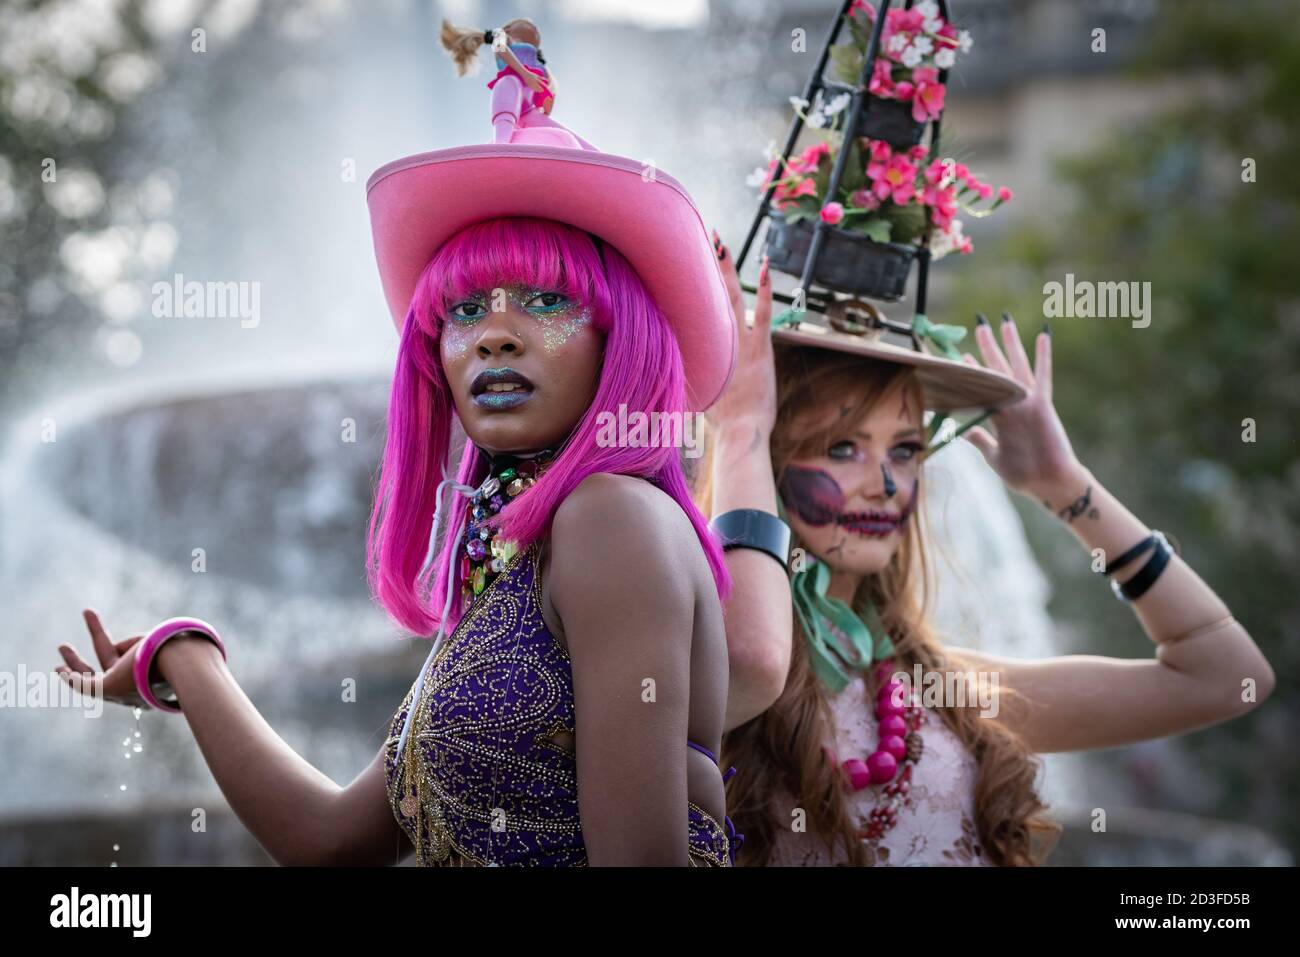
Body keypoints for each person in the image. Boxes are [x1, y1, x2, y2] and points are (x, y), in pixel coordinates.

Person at [54, 89, 745, 867]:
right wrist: (182, 657)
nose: (494, 337)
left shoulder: (612, 517)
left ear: (620, 337)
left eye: (547, 301)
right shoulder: (514, 569)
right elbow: (331, 841)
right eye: (465, 308)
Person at [703, 237, 1277, 865]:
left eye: (905, 450)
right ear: (768, 456)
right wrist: (738, 434)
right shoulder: (704, 676)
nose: (887, 484)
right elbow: (752, 654)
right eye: (843, 448)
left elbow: (1230, 677)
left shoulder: (952, 697)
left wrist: (1064, 486)